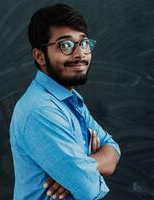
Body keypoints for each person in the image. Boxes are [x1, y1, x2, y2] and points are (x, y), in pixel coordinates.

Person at [9, 3, 121, 200]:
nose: (80, 54)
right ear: (40, 56)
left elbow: (112, 149)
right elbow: (88, 189)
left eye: (84, 43)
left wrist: (82, 166)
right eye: (66, 45)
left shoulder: (68, 99)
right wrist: (80, 173)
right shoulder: (40, 110)